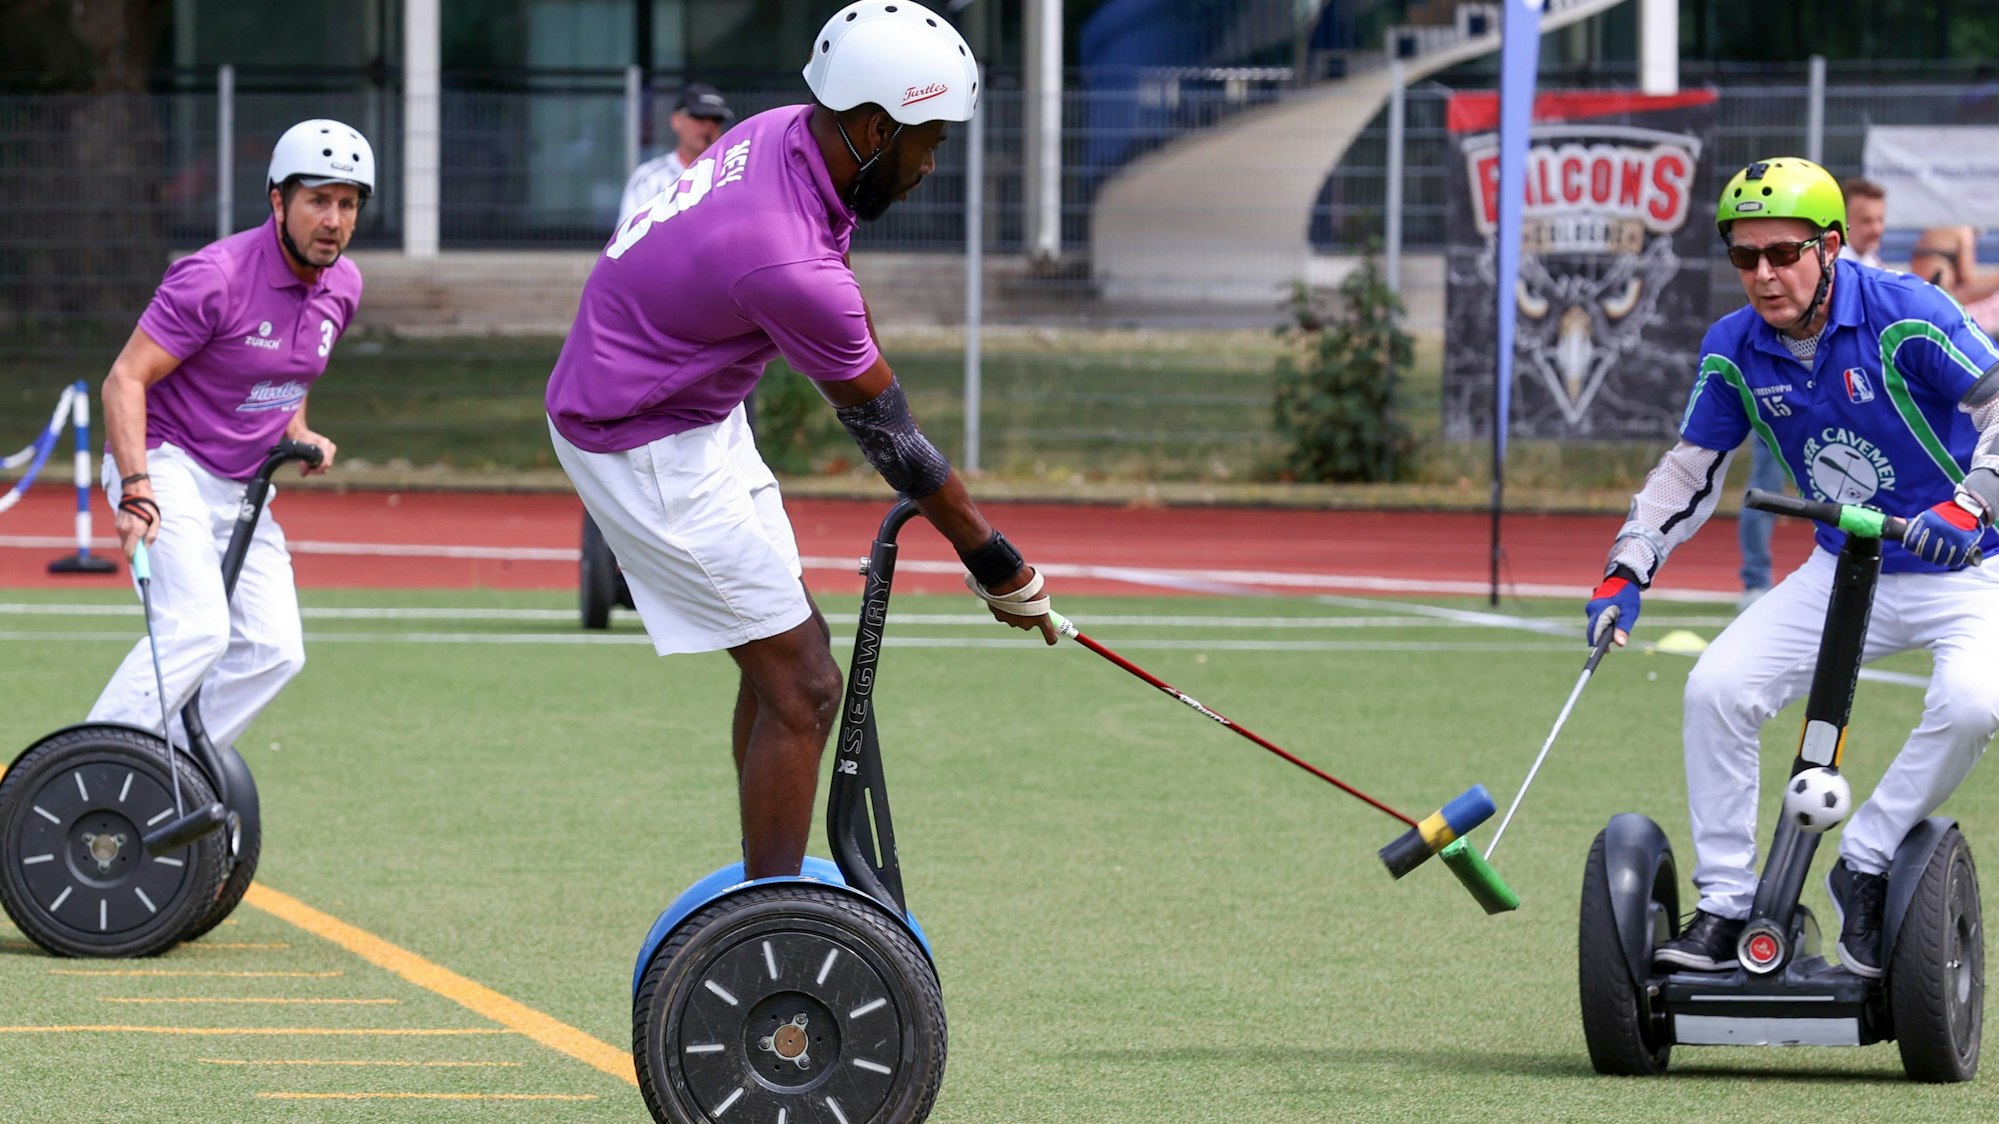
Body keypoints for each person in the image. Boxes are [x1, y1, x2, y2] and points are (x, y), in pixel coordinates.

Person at [546, 1, 1053, 881]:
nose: (930, 165)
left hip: (693, 409)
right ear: (866, 127)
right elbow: (891, 437)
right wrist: (1000, 566)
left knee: (782, 655)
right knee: (806, 683)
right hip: (639, 439)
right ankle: (768, 924)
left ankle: (762, 883)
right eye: (924, 140)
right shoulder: (786, 261)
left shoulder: (787, 131)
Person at [1583, 157, 1999, 978]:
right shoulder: (1734, 348)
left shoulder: (1906, 314)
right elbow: (1689, 468)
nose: (1763, 275)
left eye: (1781, 253)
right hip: (1844, 570)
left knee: (1972, 705)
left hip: (1966, 566)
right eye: (1744, 259)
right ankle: (1726, 907)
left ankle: (1866, 859)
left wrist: (1974, 500)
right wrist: (1626, 568)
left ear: (1830, 247)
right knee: (1716, 689)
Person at [90, 119, 370, 752]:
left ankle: (169, 777)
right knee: (197, 629)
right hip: (167, 461)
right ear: (278, 201)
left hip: (242, 485)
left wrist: (298, 428)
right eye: (317, 200)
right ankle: (86, 768)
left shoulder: (343, 286)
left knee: (275, 651)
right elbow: (124, 380)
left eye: (347, 204)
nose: (333, 220)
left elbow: (291, 370)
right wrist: (137, 489)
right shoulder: (214, 277)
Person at [1737, 178, 1892, 608]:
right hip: (1786, 392)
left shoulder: (1883, 277)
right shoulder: (1813, 274)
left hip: (1846, 406)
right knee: (1765, 485)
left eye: (1880, 220)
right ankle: (1754, 580)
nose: (1875, 228)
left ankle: (1882, 567)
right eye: (1866, 219)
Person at [617, 82, 734, 227]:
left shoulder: (731, 176)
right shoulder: (650, 178)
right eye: (699, 116)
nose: (709, 125)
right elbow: (627, 240)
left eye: (716, 119)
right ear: (676, 120)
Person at [1836, 177, 1886, 269]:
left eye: (1880, 220)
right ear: (1844, 221)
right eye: (1866, 221)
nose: (1877, 229)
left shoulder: (1876, 265)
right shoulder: (1831, 268)